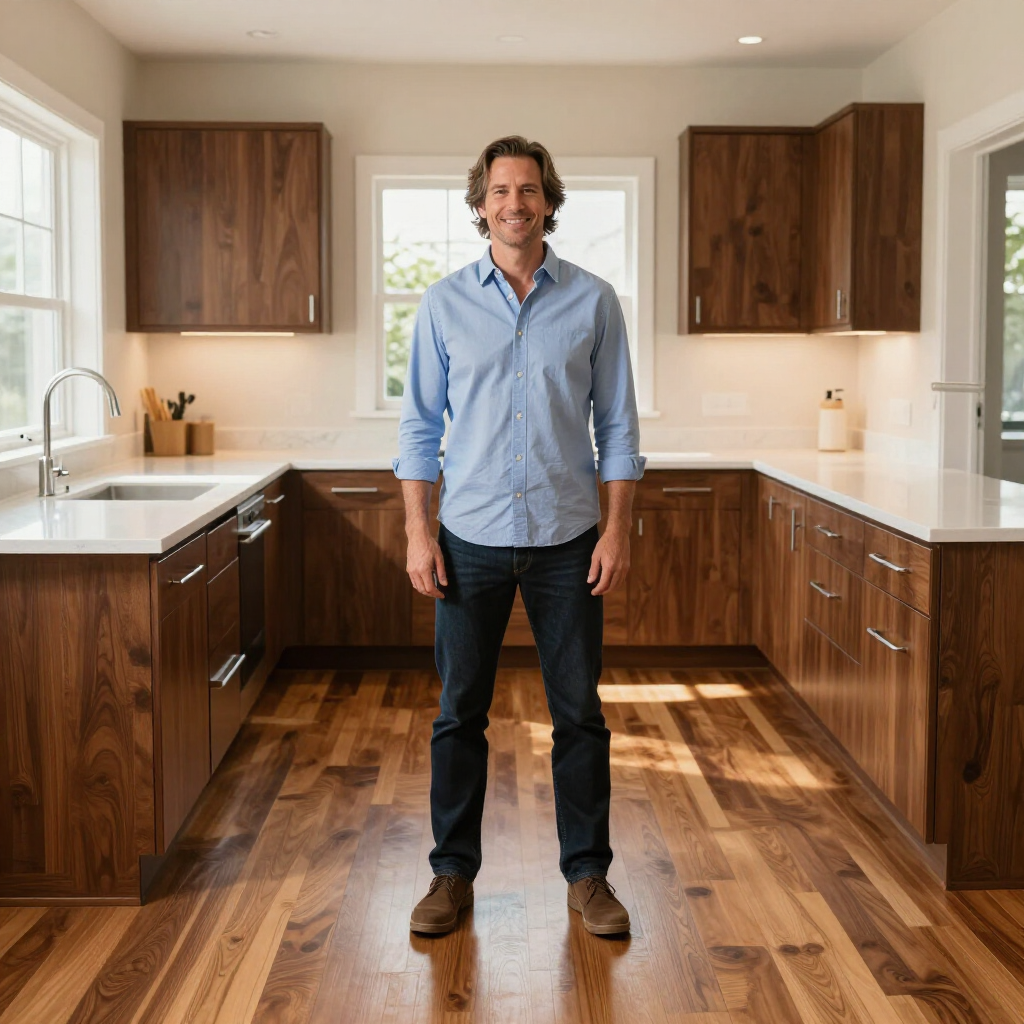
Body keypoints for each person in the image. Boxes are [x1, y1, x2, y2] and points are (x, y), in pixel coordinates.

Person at [392, 135, 645, 937]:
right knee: (459, 713)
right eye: (500, 191)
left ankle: (589, 877)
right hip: (466, 537)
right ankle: (450, 876)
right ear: (480, 206)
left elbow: (619, 426)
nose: (514, 203)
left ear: (549, 202)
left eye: (528, 190)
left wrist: (617, 534)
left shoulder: (594, 301)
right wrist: (416, 534)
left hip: (569, 539)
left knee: (578, 714)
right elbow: (419, 427)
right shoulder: (442, 305)